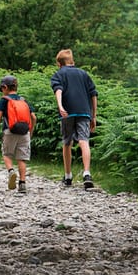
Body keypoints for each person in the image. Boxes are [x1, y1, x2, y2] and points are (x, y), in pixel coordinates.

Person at [50, 49, 98, 189]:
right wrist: (93, 115)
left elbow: (58, 90)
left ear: (59, 64)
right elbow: (93, 95)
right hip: (84, 112)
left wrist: (60, 106)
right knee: (84, 141)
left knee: (67, 142)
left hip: (67, 113)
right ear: (72, 61)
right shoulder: (84, 74)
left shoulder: (58, 74)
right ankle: (87, 173)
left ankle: (68, 176)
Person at [0, 75, 36, 193]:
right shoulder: (23, 100)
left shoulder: (4, 100)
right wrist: (30, 131)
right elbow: (33, 117)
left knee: (7, 154)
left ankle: (11, 171)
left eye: (2, 90)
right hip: (24, 132)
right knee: (22, 159)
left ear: (5, 87)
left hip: (9, 131)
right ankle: (22, 184)